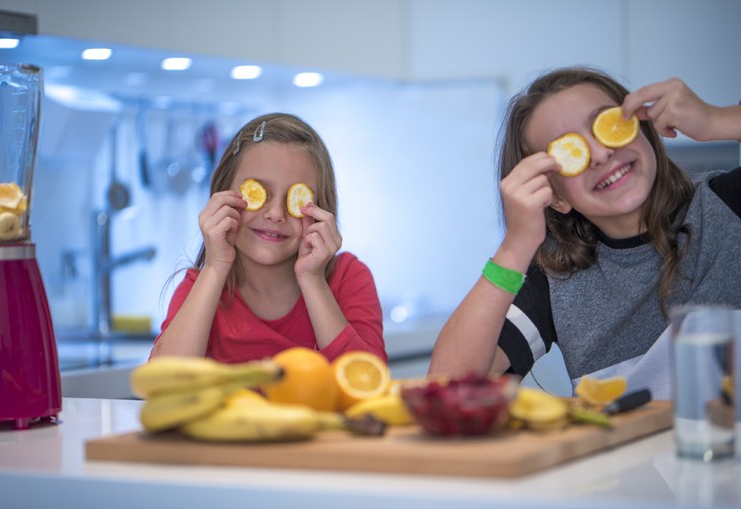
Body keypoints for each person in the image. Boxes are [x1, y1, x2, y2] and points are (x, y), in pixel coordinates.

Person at [428, 67, 741, 398]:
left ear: (643, 131)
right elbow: (447, 387)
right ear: (556, 196)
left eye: (609, 126)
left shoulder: (728, 206)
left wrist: (721, 121)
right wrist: (514, 248)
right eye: (569, 152)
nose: (601, 154)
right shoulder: (555, 280)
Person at [152, 113, 387, 364]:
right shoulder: (201, 285)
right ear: (223, 195)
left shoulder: (348, 277)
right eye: (256, 193)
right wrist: (215, 266)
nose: (275, 214)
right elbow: (161, 382)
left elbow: (367, 383)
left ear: (321, 209)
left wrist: (312, 280)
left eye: (296, 198)